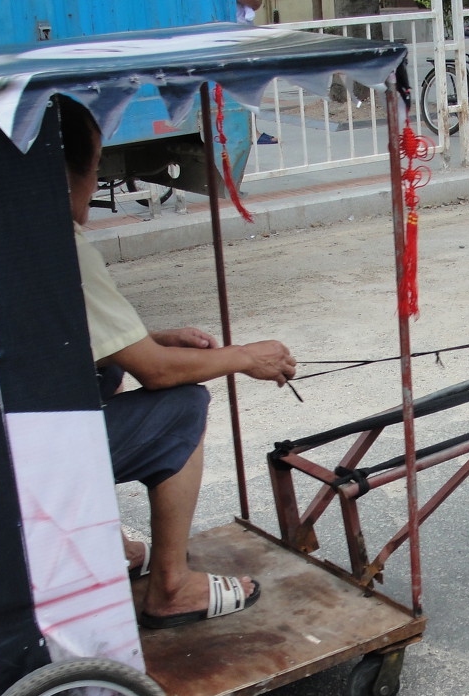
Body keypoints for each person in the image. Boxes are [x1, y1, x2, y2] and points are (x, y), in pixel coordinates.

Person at [56, 95, 296, 629]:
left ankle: (102, 545)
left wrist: (145, 338)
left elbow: (70, 339)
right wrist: (245, 357)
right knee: (183, 406)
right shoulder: (59, 246)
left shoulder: (2, 234)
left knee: (106, 369)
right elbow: (158, 372)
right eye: (93, 167)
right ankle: (171, 587)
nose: (94, 183)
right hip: (23, 457)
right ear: (69, 174)